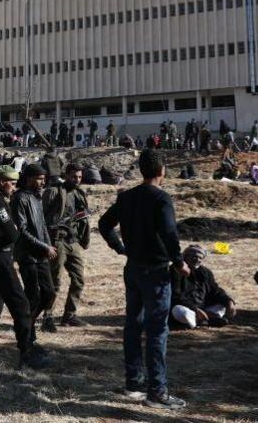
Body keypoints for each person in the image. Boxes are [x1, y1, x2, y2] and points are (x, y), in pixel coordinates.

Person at [98, 149, 189, 410]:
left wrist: (119, 247)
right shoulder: (161, 198)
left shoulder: (127, 197)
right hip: (156, 270)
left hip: (133, 267)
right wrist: (180, 261)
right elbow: (170, 232)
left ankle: (134, 383)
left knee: (133, 325)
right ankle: (157, 391)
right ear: (162, 171)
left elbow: (105, 224)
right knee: (157, 330)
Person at [0, 165, 50, 369]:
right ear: (1, 181)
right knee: (21, 304)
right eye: (12, 183)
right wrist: (15, 230)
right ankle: (26, 351)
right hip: (0, 257)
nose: (15, 188)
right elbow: (12, 233)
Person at [11, 163, 58, 351]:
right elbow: (21, 230)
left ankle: (28, 327)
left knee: (49, 294)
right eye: (39, 179)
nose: (42, 182)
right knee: (32, 296)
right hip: (27, 255)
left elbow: (42, 226)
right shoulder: (20, 198)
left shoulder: (37, 198)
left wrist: (48, 245)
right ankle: (26, 337)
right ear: (29, 178)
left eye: (44, 179)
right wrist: (44, 246)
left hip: (41, 255)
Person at [42, 163, 90, 329]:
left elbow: (83, 217)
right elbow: (41, 217)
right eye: (74, 177)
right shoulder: (54, 191)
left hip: (73, 241)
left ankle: (69, 315)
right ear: (66, 175)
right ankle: (47, 317)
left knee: (79, 280)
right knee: (54, 281)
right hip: (57, 241)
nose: (77, 180)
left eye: (79, 177)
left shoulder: (78, 193)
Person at [169, 245, 237, 329]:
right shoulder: (175, 270)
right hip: (186, 307)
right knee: (180, 311)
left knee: (222, 306)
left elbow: (215, 290)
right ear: (185, 256)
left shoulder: (205, 272)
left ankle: (202, 320)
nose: (197, 259)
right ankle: (204, 321)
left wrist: (228, 301)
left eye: (200, 258)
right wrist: (195, 309)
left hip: (203, 308)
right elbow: (175, 296)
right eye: (194, 257)